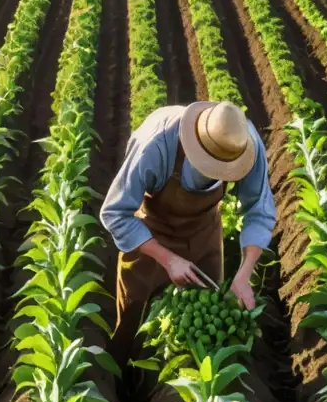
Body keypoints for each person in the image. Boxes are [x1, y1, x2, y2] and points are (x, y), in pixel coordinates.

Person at [100, 101, 276, 364]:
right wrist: (167, 259)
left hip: (204, 232)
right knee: (133, 322)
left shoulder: (243, 144)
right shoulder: (156, 145)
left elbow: (259, 212)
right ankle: (128, 382)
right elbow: (114, 213)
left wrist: (244, 273)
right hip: (150, 232)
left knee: (206, 315)